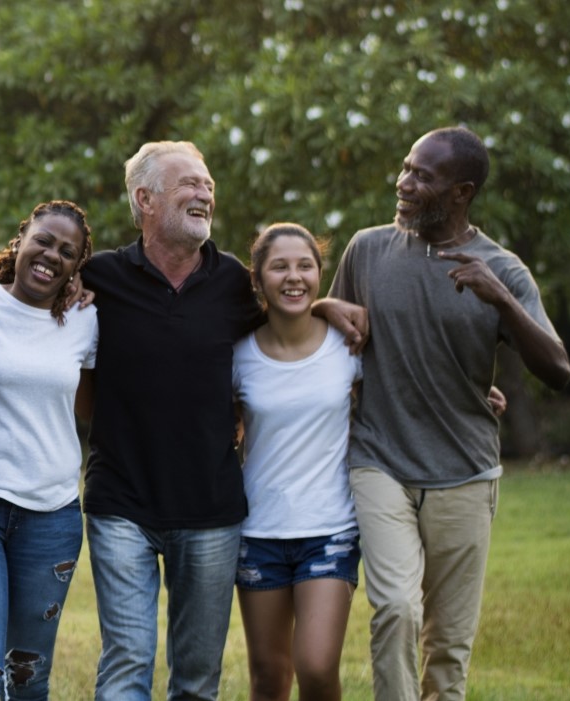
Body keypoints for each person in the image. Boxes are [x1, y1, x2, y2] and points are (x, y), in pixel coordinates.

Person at [0, 142, 366, 701]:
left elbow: (289, 304)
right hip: (121, 504)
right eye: (188, 184)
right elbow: (34, 298)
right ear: (144, 199)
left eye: (208, 186)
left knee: (197, 679)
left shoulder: (235, 285)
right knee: (127, 665)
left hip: (212, 510)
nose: (204, 194)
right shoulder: (99, 279)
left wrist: (324, 306)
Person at [329, 127, 569, 701]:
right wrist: (318, 304)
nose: (403, 183)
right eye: (405, 168)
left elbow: (558, 369)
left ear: (461, 192)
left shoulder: (502, 270)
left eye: (421, 176)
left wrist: (501, 301)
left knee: (449, 649)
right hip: (379, 460)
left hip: (465, 472)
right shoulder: (367, 250)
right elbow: (325, 339)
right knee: (395, 609)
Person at [0, 200, 99, 700]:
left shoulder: (86, 321)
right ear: (21, 239)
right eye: (43, 241)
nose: (51, 255)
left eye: (67, 252)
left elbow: (90, 410)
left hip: (52, 516)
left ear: (77, 267)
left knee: (28, 679)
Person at [230, 223, 362, 701]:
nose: (294, 277)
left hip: (330, 530)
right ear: (258, 278)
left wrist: (473, 396)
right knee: (268, 676)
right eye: (279, 266)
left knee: (317, 666)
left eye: (305, 265)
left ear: (320, 273)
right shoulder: (238, 355)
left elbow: (408, 385)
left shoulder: (348, 346)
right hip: (258, 532)